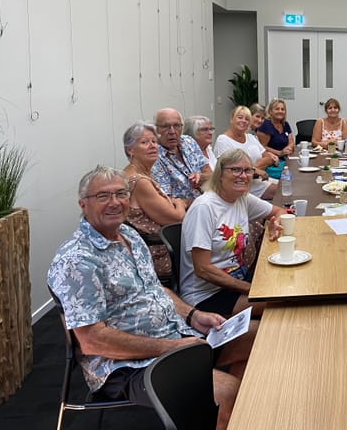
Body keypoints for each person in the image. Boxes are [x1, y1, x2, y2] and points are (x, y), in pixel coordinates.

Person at [47, 166, 255, 430]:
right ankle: (220, 410)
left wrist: (193, 315)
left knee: (255, 337)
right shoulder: (77, 260)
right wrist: (170, 347)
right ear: (83, 204)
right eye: (103, 196)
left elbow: (156, 289)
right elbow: (92, 341)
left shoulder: (129, 235)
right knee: (225, 391)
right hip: (127, 365)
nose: (114, 202)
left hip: (176, 336)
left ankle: (222, 415)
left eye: (121, 194)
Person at [180, 148, 285, 319]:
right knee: (283, 301)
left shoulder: (241, 198)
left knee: (288, 284)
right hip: (207, 295)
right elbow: (203, 269)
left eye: (248, 170)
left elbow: (279, 211)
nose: (243, 176)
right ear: (220, 174)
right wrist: (250, 289)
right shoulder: (204, 208)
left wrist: (276, 223)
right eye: (236, 170)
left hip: (236, 283)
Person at [123, 122, 187, 283]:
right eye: (144, 142)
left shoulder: (140, 173)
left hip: (161, 244)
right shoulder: (139, 181)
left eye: (154, 141)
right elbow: (176, 218)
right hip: (159, 253)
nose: (152, 146)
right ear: (130, 150)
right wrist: (180, 203)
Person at [214, 105, 278, 199]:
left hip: (258, 179)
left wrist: (252, 169)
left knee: (287, 184)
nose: (243, 121)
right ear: (231, 119)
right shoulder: (223, 140)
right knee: (281, 191)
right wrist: (254, 170)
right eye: (240, 117)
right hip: (240, 185)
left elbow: (268, 157)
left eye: (247, 119)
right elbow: (229, 169)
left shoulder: (250, 137)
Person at [151, 107, 212, 202]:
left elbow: (210, 173)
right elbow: (167, 201)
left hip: (207, 200)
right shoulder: (153, 155)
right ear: (155, 130)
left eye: (177, 126)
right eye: (165, 126)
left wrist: (201, 177)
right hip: (185, 209)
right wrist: (196, 203)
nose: (172, 131)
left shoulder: (188, 142)